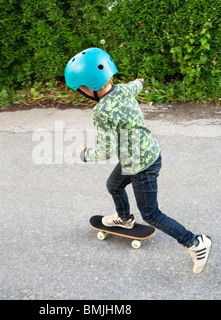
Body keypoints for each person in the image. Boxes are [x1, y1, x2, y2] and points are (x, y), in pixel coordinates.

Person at [64, 47, 212, 275]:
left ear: (88, 87)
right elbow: (136, 85)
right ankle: (124, 219)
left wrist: (84, 154)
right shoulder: (122, 89)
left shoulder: (101, 111)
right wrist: (140, 81)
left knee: (151, 214)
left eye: (79, 88)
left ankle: (195, 243)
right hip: (140, 155)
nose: (79, 91)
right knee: (113, 185)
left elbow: (104, 151)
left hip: (141, 165)